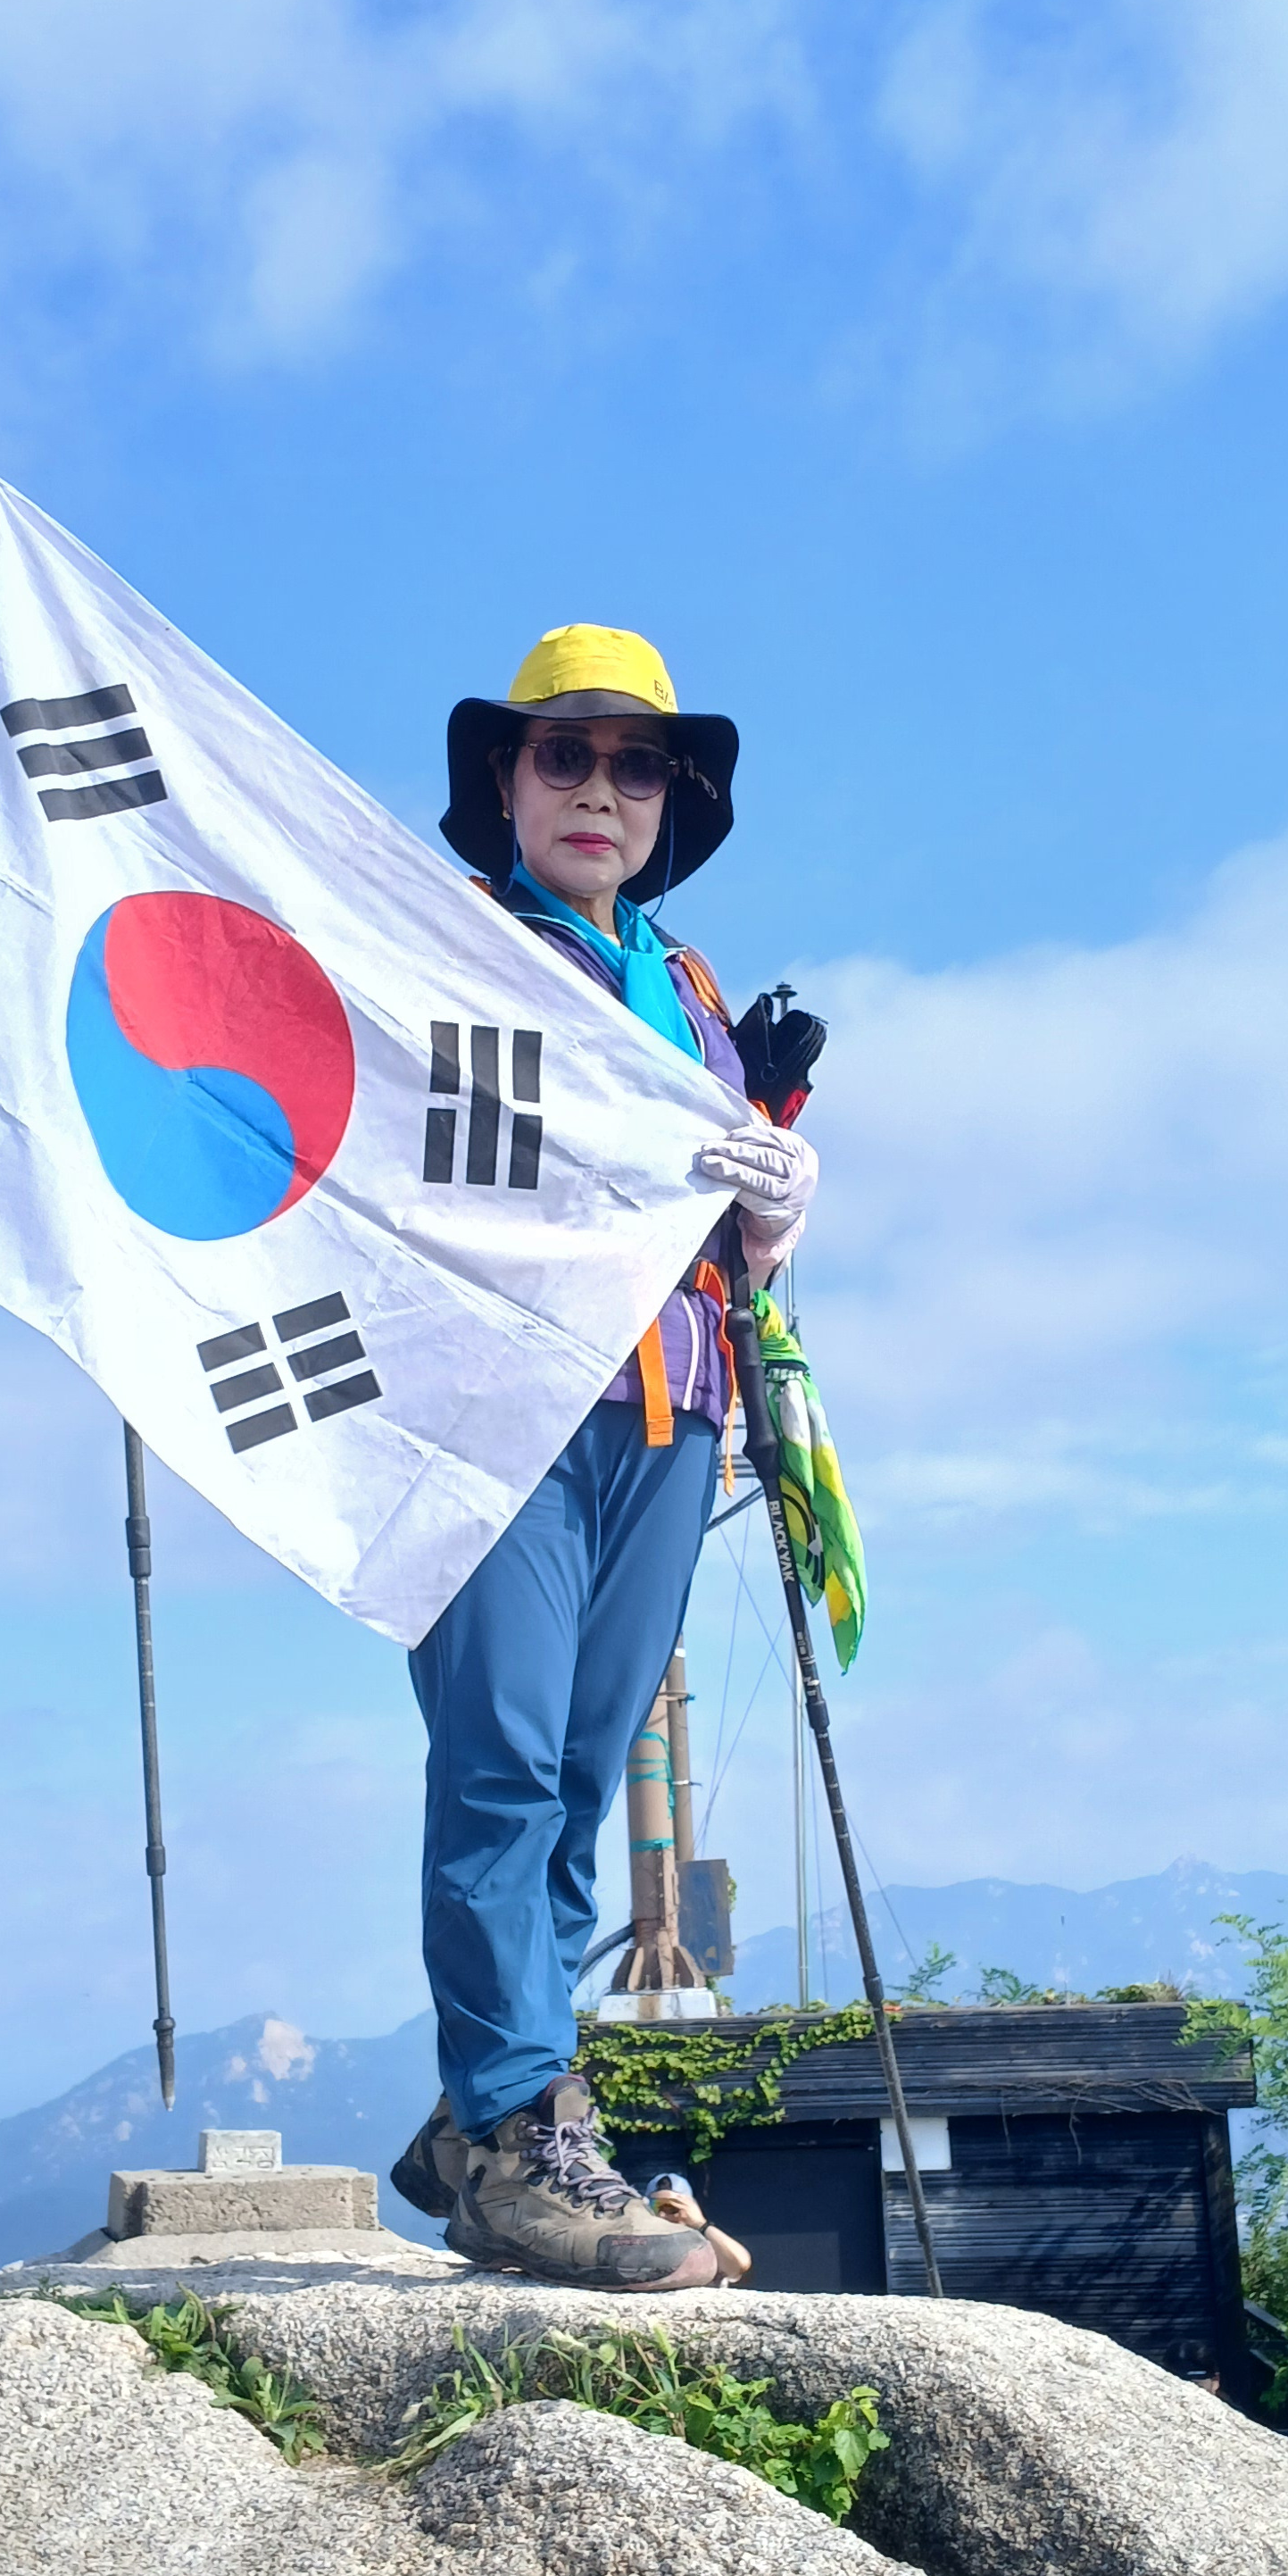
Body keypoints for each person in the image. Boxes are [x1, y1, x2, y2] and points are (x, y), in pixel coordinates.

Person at [389, 625, 816, 2288]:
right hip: (494, 1406)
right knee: (500, 1756)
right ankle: (518, 2130)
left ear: (670, 800)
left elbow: (725, 1218)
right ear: (505, 777)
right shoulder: (430, 942)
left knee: (577, 1769)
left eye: (637, 764)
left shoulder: (692, 987)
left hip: (676, 1410)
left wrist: (773, 1214)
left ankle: (491, 2109)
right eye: (562, 752)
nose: (600, 789)